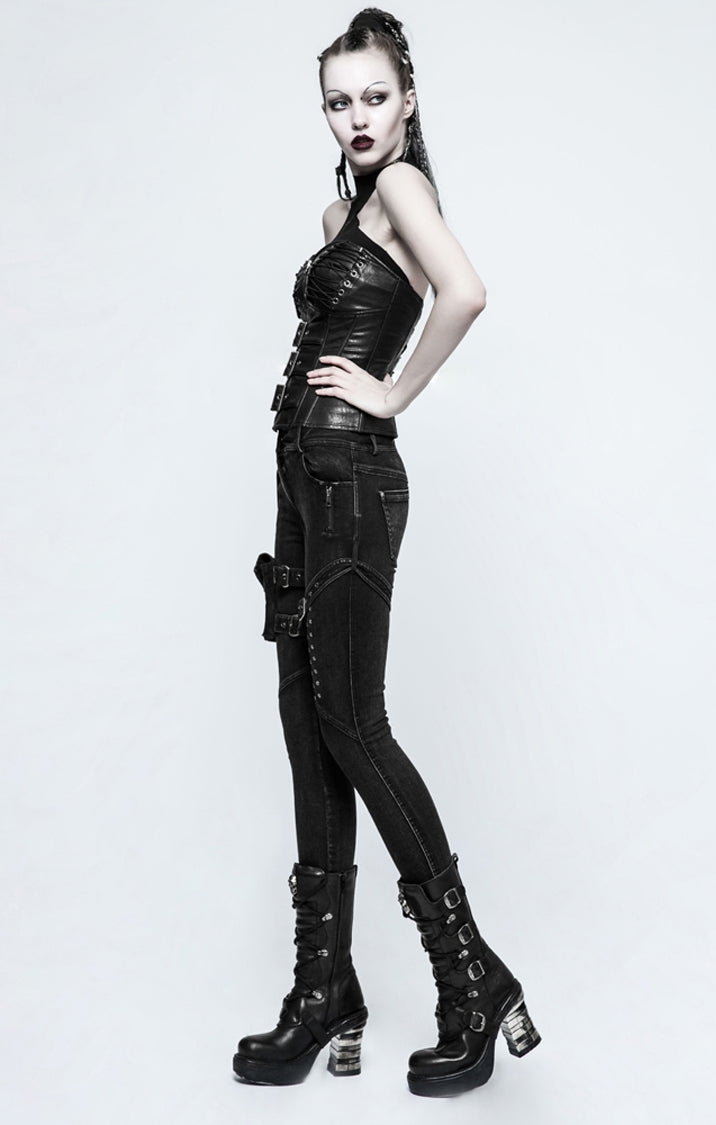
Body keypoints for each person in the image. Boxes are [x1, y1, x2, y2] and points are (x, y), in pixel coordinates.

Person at [233, 8, 540, 1098]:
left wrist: (393, 394)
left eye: (373, 96)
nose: (357, 117)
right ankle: (325, 991)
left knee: (354, 723)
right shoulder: (346, 212)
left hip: (352, 477)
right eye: (338, 101)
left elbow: (468, 291)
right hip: (301, 481)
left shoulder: (404, 186)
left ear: (407, 99)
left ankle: (473, 978)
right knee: (305, 722)